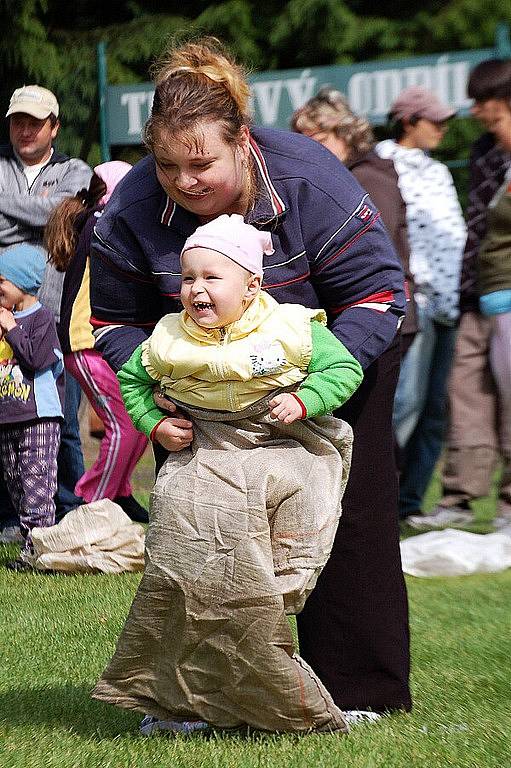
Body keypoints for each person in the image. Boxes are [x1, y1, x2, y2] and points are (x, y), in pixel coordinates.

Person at [89, 38, 411, 715]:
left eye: (201, 163)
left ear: (242, 141)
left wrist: (315, 383)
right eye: (167, 164)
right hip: (202, 392)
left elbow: (378, 293)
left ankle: (359, 693)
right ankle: (203, 698)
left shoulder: (308, 177)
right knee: (200, 540)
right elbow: (112, 324)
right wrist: (164, 387)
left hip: (331, 365)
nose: (184, 181)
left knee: (343, 522)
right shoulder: (129, 209)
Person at [94, 213, 362, 733]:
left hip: (282, 445)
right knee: (185, 555)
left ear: (252, 284)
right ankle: (179, 695)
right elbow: (131, 382)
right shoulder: (169, 337)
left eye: (212, 278)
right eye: (188, 278)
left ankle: (260, 662)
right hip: (206, 450)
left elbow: (344, 369)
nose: (195, 290)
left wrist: (305, 399)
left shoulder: (291, 327)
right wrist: (155, 424)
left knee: (265, 567)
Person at [411, 60, 511, 530]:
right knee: (464, 395)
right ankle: (458, 498)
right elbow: (476, 226)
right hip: (476, 293)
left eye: (483, 103)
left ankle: (509, 505)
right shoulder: (483, 152)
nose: (474, 111)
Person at [0, 84, 92, 540]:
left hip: (56, 313)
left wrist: (20, 213)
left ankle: (69, 508)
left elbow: (65, 215)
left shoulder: (75, 169)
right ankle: (11, 516)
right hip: (2, 319)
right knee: (6, 417)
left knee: (60, 417)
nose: (25, 130)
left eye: (35, 122)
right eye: (19, 120)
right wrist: (41, 215)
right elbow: (46, 217)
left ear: (54, 126)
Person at [375, 86, 467, 521]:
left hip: (451, 303)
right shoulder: (382, 166)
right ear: (409, 122)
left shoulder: (439, 172)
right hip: (416, 302)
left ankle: (408, 504)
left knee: (435, 410)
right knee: (404, 404)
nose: (443, 128)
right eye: (435, 121)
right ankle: (380, 500)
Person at [43, 161, 149, 523]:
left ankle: (119, 492)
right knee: (125, 423)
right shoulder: (102, 222)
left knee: (139, 420)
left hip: (98, 342)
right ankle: (91, 503)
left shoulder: (102, 220)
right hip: (85, 341)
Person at [290, 85, 417, 354]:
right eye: (303, 141)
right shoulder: (344, 177)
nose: (310, 150)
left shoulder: (368, 178)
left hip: (383, 315)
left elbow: (376, 251)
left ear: (346, 135)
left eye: (320, 140)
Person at [0, 244, 64, 571]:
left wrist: (10, 328)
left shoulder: (40, 319)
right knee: (16, 484)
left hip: (38, 416)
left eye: (1, 283)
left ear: (22, 284)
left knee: (36, 483)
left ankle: (42, 552)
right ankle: (31, 548)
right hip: (8, 417)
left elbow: (38, 360)